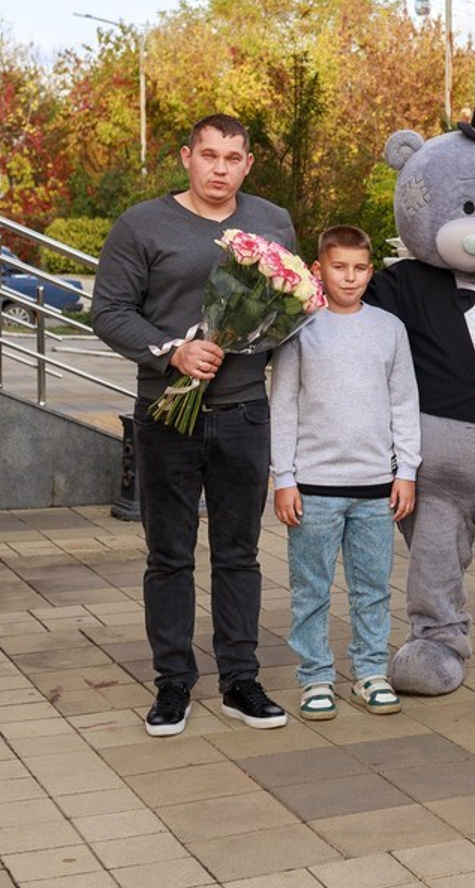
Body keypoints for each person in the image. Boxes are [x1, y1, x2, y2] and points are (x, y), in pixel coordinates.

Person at [93, 114, 296, 736]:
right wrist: (170, 351)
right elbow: (109, 311)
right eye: (208, 155)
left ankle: (240, 680)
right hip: (165, 414)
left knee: (239, 554)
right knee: (169, 555)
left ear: (248, 164)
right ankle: (173, 683)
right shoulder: (143, 224)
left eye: (232, 158)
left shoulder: (271, 223)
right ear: (186, 157)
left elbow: (289, 311)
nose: (219, 168)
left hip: (243, 412)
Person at [270, 225, 421, 721]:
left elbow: (404, 402)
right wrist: (284, 477)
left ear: (370, 270)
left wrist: (407, 471)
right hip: (313, 487)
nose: (350, 278)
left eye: (359, 268)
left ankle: (371, 671)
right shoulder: (300, 328)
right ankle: (315, 676)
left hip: (376, 486)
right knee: (311, 588)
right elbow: (284, 405)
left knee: (373, 586)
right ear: (319, 270)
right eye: (339, 267)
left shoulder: (388, 329)